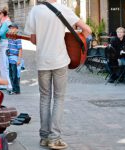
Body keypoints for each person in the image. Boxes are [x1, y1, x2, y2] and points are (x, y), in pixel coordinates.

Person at [24, 1, 91, 149]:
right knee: (59, 98)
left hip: (42, 61)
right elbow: (87, 29)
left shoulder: (35, 11)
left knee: (44, 98)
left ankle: (44, 137)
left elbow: (34, 40)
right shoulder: (63, 9)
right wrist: (76, 43)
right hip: (60, 60)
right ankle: (54, 138)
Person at [7, 23, 22, 95]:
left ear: (16, 29)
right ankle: (14, 88)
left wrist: (19, 60)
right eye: (10, 28)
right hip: (9, 58)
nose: (11, 29)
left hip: (15, 58)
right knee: (10, 74)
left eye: (13, 28)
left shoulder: (17, 38)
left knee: (15, 75)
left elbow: (20, 49)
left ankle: (16, 89)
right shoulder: (9, 37)